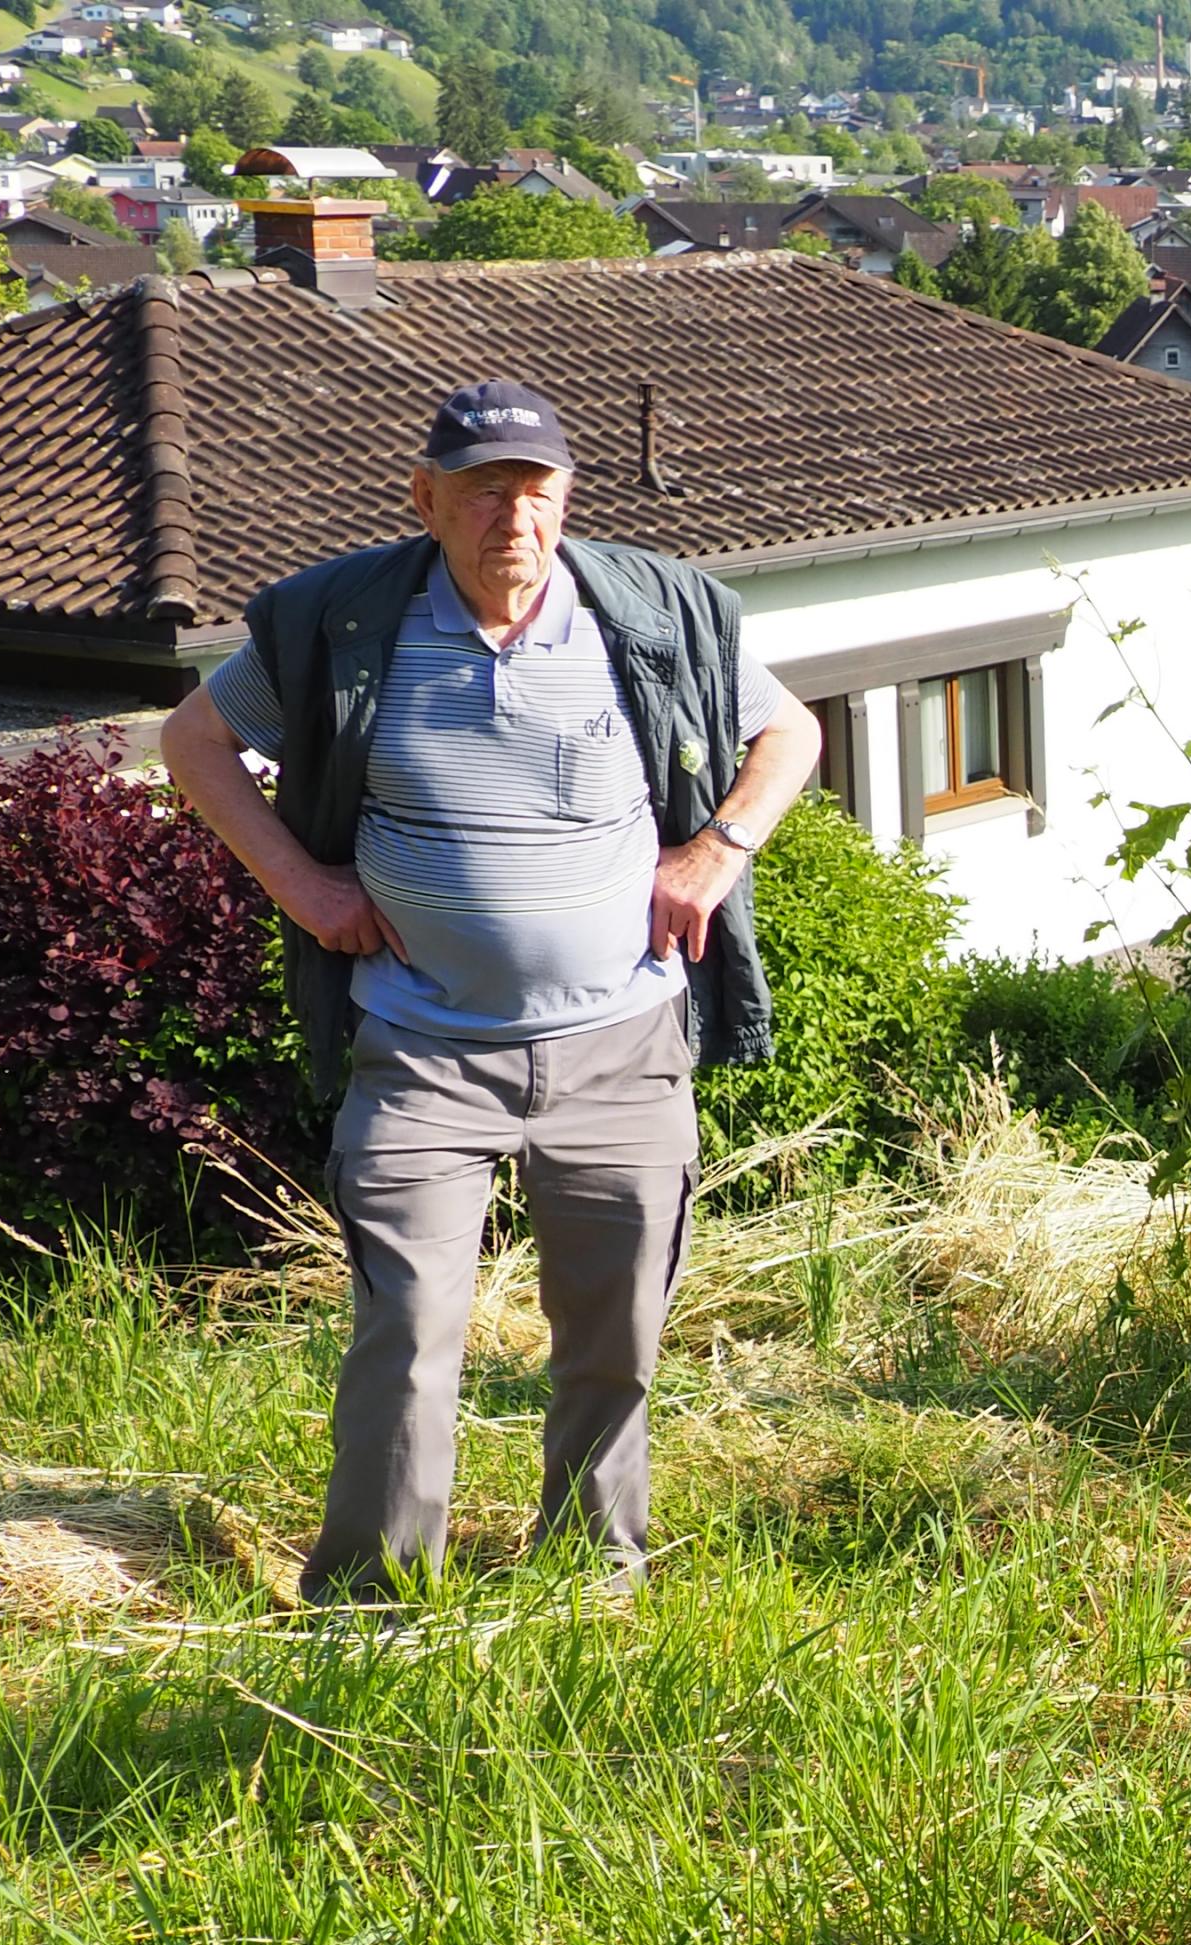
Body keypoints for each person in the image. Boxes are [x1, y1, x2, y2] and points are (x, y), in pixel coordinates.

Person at [159, 380, 817, 1606]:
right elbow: (192, 741)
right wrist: (302, 885)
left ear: (566, 498)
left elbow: (790, 736)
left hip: (623, 1047)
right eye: (481, 492)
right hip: (421, 1053)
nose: (512, 516)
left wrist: (715, 853)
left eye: (535, 490)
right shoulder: (341, 621)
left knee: (614, 1337)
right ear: (425, 500)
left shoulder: (651, 611)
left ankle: (592, 1576)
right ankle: (372, 1599)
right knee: (407, 1335)